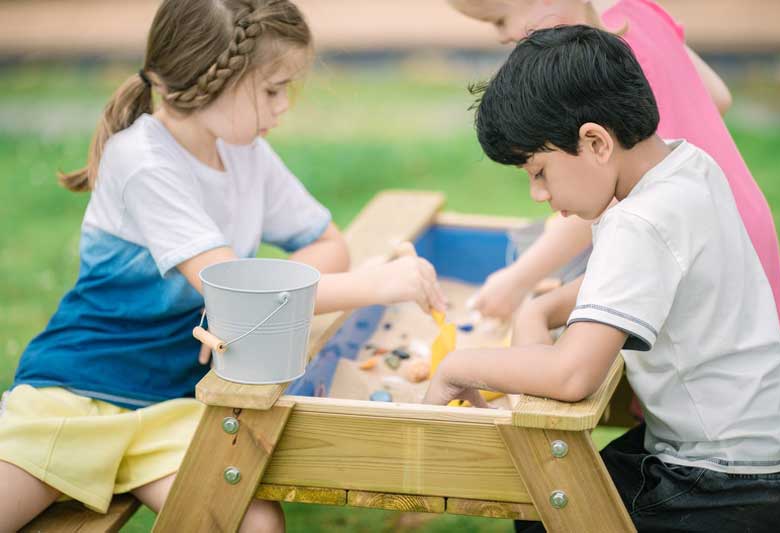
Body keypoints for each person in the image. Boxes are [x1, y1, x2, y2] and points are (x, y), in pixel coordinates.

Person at [0, 1, 446, 531]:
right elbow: (238, 292)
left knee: (257, 524)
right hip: (76, 398)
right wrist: (370, 285)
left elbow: (324, 242)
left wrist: (272, 301)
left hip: (177, 405)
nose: (283, 108)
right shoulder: (142, 160)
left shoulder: (245, 153)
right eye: (273, 89)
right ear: (211, 82)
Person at [424, 25, 780, 532]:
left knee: (545, 505)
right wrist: (541, 308)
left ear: (596, 141)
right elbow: (647, 277)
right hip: (768, 451)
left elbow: (572, 375)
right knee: (561, 479)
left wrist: (458, 366)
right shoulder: (687, 164)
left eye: (539, 172)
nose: (538, 194)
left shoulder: (637, 222)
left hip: (726, 480)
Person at [449, 0, 780, 358]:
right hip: (738, 212)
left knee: (713, 362)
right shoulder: (636, 12)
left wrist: (519, 278)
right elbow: (717, 96)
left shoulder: (608, 69)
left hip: (692, 234)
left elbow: (626, 191)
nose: (503, 35)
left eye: (501, 19)